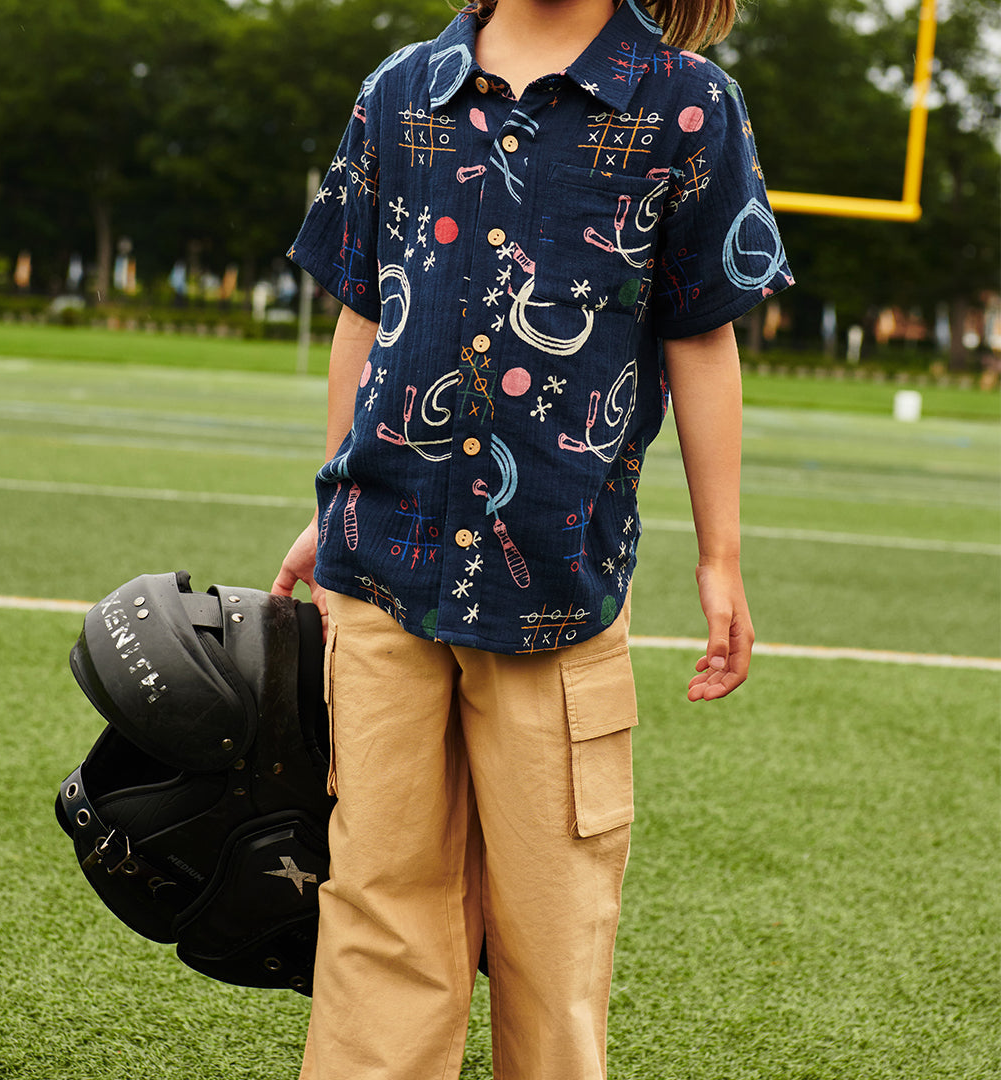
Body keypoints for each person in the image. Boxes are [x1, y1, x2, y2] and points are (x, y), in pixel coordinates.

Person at [273, 1, 793, 1076]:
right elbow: (365, 314)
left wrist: (721, 558)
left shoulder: (688, 104)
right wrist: (333, 506)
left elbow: (702, 340)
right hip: (382, 571)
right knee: (378, 909)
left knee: (553, 942)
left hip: (560, 589)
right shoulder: (399, 90)